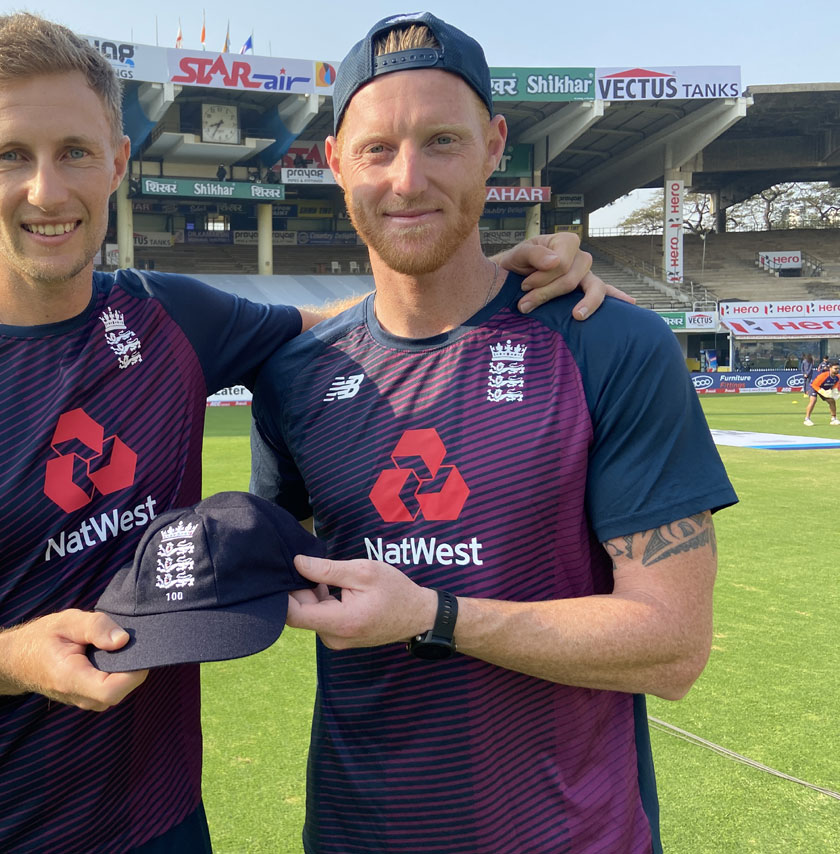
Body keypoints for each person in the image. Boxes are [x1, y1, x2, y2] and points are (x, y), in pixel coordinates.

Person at [0, 12, 616, 854]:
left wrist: (492, 273)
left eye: (75, 153)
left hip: (165, 825)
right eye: (11, 156)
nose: (47, 191)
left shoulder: (167, 318)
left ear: (118, 162)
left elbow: (365, 321)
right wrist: (4, 658)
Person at [250, 13, 738, 853]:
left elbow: (671, 647)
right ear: (334, 163)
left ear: (495, 146)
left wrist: (435, 614)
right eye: (376, 149)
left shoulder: (609, 342)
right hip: (357, 833)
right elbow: (262, 574)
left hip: (572, 835)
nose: (408, 180)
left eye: (442, 140)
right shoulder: (294, 375)